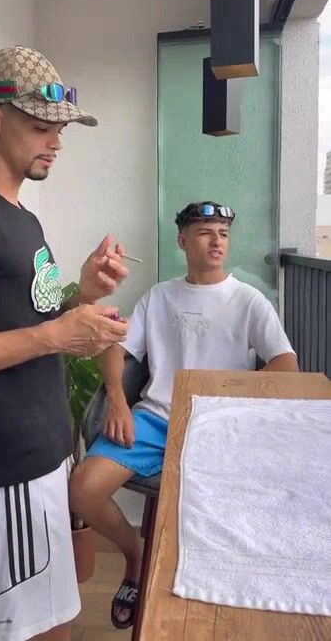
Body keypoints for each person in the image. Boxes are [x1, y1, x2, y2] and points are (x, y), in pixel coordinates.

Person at [0, 46, 130, 641]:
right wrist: (51, 335)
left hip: (39, 457)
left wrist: (84, 294)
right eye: (42, 127)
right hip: (2, 466)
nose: (56, 142)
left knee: (51, 623)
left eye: (59, 129)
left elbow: (28, 322)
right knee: (25, 632)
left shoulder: (20, 215)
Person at [69, 200, 298, 630]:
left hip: (219, 427)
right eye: (205, 233)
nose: (217, 241)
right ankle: (137, 556)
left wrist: (233, 401)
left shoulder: (248, 300)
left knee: (220, 518)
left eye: (223, 234)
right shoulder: (159, 296)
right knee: (83, 490)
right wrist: (117, 400)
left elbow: (286, 363)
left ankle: (209, 600)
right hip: (155, 420)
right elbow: (117, 347)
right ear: (182, 241)